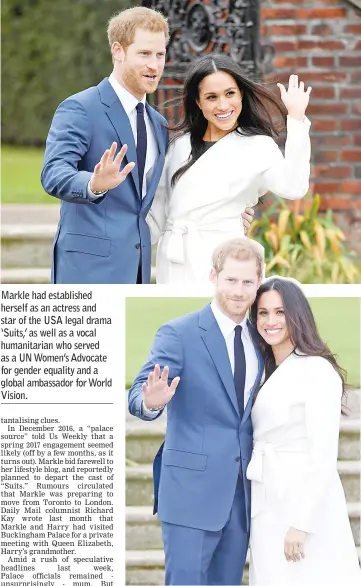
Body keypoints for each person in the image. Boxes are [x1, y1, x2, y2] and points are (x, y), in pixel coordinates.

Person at [41, 6, 254, 284]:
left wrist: (224, 212)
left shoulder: (158, 124)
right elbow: (53, 173)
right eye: (144, 54)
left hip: (137, 269)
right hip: (86, 269)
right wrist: (93, 183)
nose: (154, 65)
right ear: (118, 51)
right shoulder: (80, 108)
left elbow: (164, 198)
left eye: (160, 54)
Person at [129, 238, 264, 585]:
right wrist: (151, 402)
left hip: (241, 498)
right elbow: (138, 394)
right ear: (213, 277)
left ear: (259, 283)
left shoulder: (262, 340)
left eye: (247, 282)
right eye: (231, 280)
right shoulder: (179, 333)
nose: (238, 290)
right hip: (190, 494)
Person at [147, 54, 312, 285]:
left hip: (227, 265)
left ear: (241, 94)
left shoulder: (258, 146)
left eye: (230, 94)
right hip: (174, 264)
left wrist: (296, 117)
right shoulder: (178, 146)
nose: (223, 106)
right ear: (198, 101)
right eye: (211, 97)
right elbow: (155, 216)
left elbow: (294, 187)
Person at [247, 277, 361, 586]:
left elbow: (323, 454)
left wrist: (302, 523)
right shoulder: (263, 371)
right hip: (267, 500)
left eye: (280, 312)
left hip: (301, 502)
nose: (270, 321)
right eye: (263, 312)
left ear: (297, 315)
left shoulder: (316, 370)